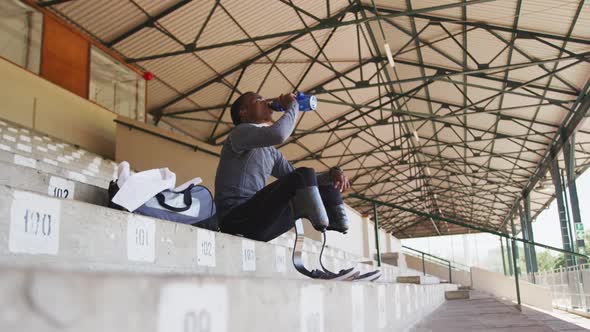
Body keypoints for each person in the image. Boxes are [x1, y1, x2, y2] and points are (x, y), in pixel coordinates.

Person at [214, 91, 351, 242]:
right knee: (303, 175)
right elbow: (279, 134)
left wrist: (332, 175)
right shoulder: (239, 133)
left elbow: (304, 181)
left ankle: (336, 223)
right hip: (235, 218)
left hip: (258, 225)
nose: (266, 101)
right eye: (259, 100)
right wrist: (293, 105)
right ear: (243, 112)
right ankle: (318, 219)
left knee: (316, 182)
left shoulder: (270, 152)